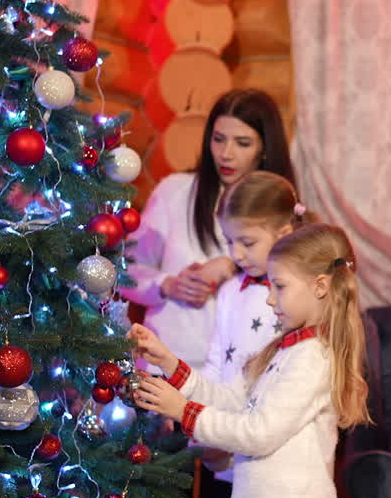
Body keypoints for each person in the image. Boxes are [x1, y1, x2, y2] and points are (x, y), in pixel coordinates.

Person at [129, 224, 371, 498]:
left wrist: (183, 411)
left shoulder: (313, 358)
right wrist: (170, 363)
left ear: (320, 286)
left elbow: (258, 433)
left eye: (280, 286)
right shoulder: (287, 351)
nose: (270, 298)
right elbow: (231, 401)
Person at [120, 88, 294, 374]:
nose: (226, 154)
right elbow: (125, 273)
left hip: (242, 377)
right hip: (164, 368)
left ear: (265, 149)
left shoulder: (282, 208)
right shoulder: (174, 191)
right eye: (219, 139)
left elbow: (298, 289)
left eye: (242, 143)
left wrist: (232, 266)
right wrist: (167, 285)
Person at [197, 170, 318, 498]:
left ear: (283, 233)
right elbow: (217, 359)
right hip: (224, 449)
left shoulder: (295, 300)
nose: (235, 254)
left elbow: (283, 387)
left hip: (272, 460)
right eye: (229, 241)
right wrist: (205, 430)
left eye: (247, 242)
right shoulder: (231, 290)